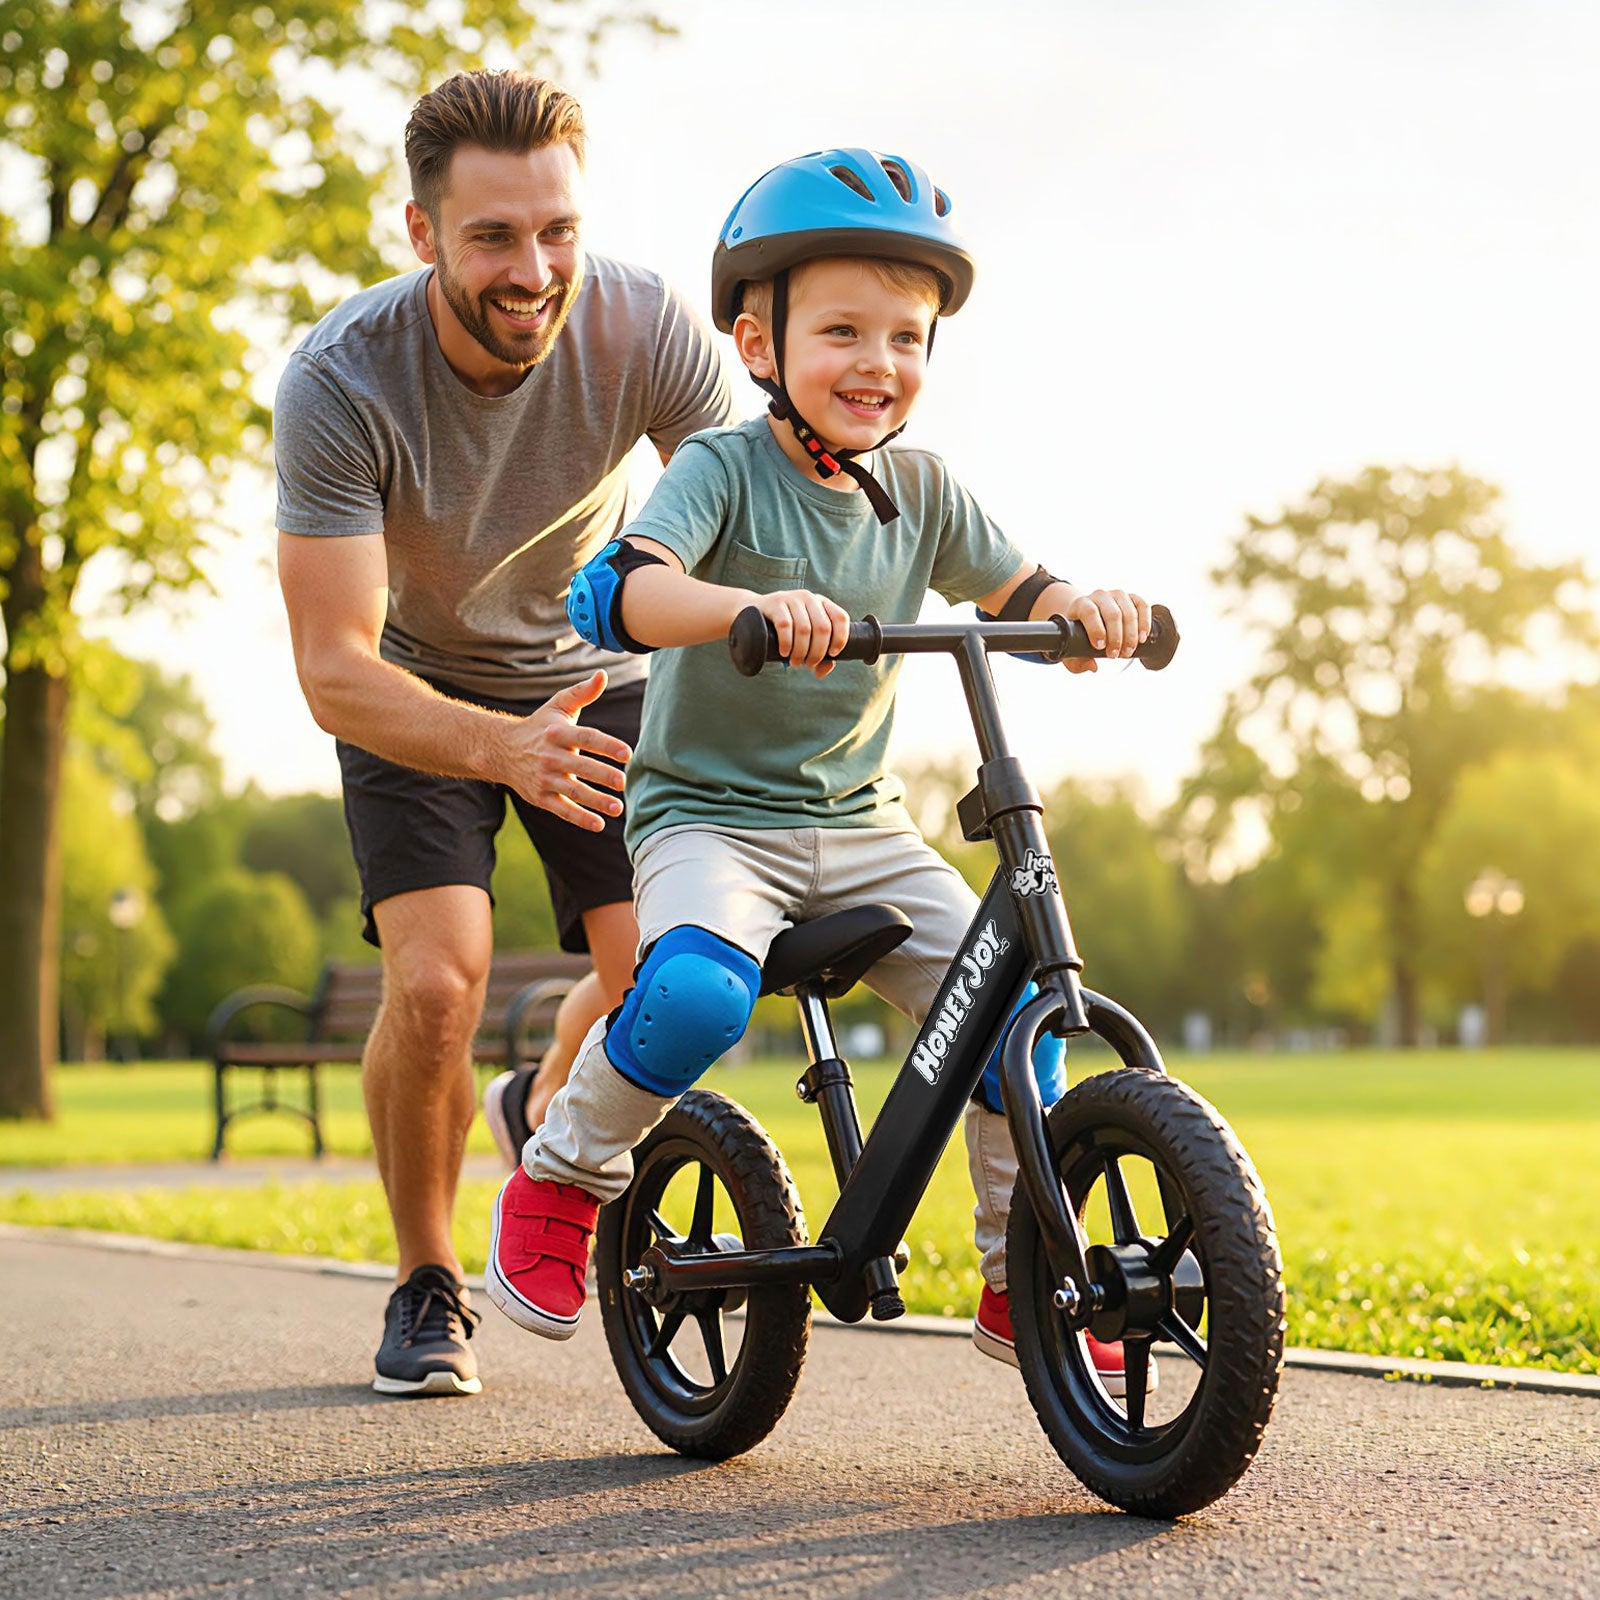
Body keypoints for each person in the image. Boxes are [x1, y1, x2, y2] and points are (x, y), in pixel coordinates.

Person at [483, 147, 1157, 1396]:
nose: (877, 363)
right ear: (756, 342)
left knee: (1018, 1015)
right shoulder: (721, 473)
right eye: (841, 329)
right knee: (689, 999)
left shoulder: (923, 492)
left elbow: (1021, 588)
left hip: (861, 822)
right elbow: (617, 587)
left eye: (905, 336)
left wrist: (1086, 609)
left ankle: (1025, 1270)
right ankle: (562, 1171)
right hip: (709, 821)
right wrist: (748, 603)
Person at [272, 70, 734, 1397]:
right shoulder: (341, 382)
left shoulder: (641, 323)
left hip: (598, 666)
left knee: (672, 965)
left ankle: (541, 1104)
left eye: (557, 231)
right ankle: (428, 1280)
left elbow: (758, 505)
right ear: (421, 236)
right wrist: (497, 745)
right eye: (492, 238)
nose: (534, 270)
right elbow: (331, 668)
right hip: (413, 685)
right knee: (434, 982)